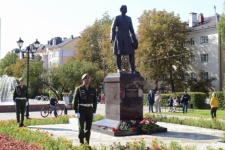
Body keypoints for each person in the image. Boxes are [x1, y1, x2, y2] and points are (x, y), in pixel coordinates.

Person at [110, 5, 139, 74]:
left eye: (126, 8)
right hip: (119, 37)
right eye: (124, 8)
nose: (126, 10)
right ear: (121, 10)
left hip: (127, 37)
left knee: (131, 53)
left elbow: (132, 30)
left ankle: (132, 69)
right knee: (118, 53)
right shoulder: (117, 18)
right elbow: (113, 28)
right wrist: (112, 37)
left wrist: (135, 39)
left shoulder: (129, 18)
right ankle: (119, 68)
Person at [73, 73, 97, 145]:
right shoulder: (79, 89)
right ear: (82, 80)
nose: (87, 80)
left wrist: (94, 111)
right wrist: (76, 111)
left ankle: (87, 143)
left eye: (88, 78)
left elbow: (95, 101)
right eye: (85, 78)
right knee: (81, 128)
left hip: (89, 109)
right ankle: (81, 142)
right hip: (81, 109)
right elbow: (75, 101)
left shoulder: (92, 89)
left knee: (88, 128)